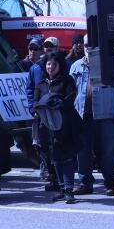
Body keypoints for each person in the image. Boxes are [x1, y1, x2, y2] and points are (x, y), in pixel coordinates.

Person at [70, 35, 114, 196]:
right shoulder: (75, 66)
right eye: (86, 44)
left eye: (92, 44)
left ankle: (110, 184)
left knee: (107, 152)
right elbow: (69, 91)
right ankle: (85, 183)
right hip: (82, 116)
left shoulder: (109, 64)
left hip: (105, 116)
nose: (88, 47)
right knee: (83, 152)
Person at [34, 52, 82, 204]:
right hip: (46, 126)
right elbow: (34, 101)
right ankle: (61, 188)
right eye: (48, 64)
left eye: (54, 64)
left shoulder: (67, 80)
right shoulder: (40, 83)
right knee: (54, 158)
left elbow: (70, 98)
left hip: (65, 125)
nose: (51, 66)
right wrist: (37, 108)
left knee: (66, 157)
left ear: (60, 65)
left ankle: (69, 190)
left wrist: (55, 103)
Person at [26, 36, 58, 188]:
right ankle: (46, 172)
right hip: (40, 113)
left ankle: (58, 175)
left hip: (55, 113)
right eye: (46, 46)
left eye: (51, 46)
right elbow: (30, 90)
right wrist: (32, 107)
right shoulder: (35, 68)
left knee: (56, 144)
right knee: (40, 144)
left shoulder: (60, 65)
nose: (48, 49)